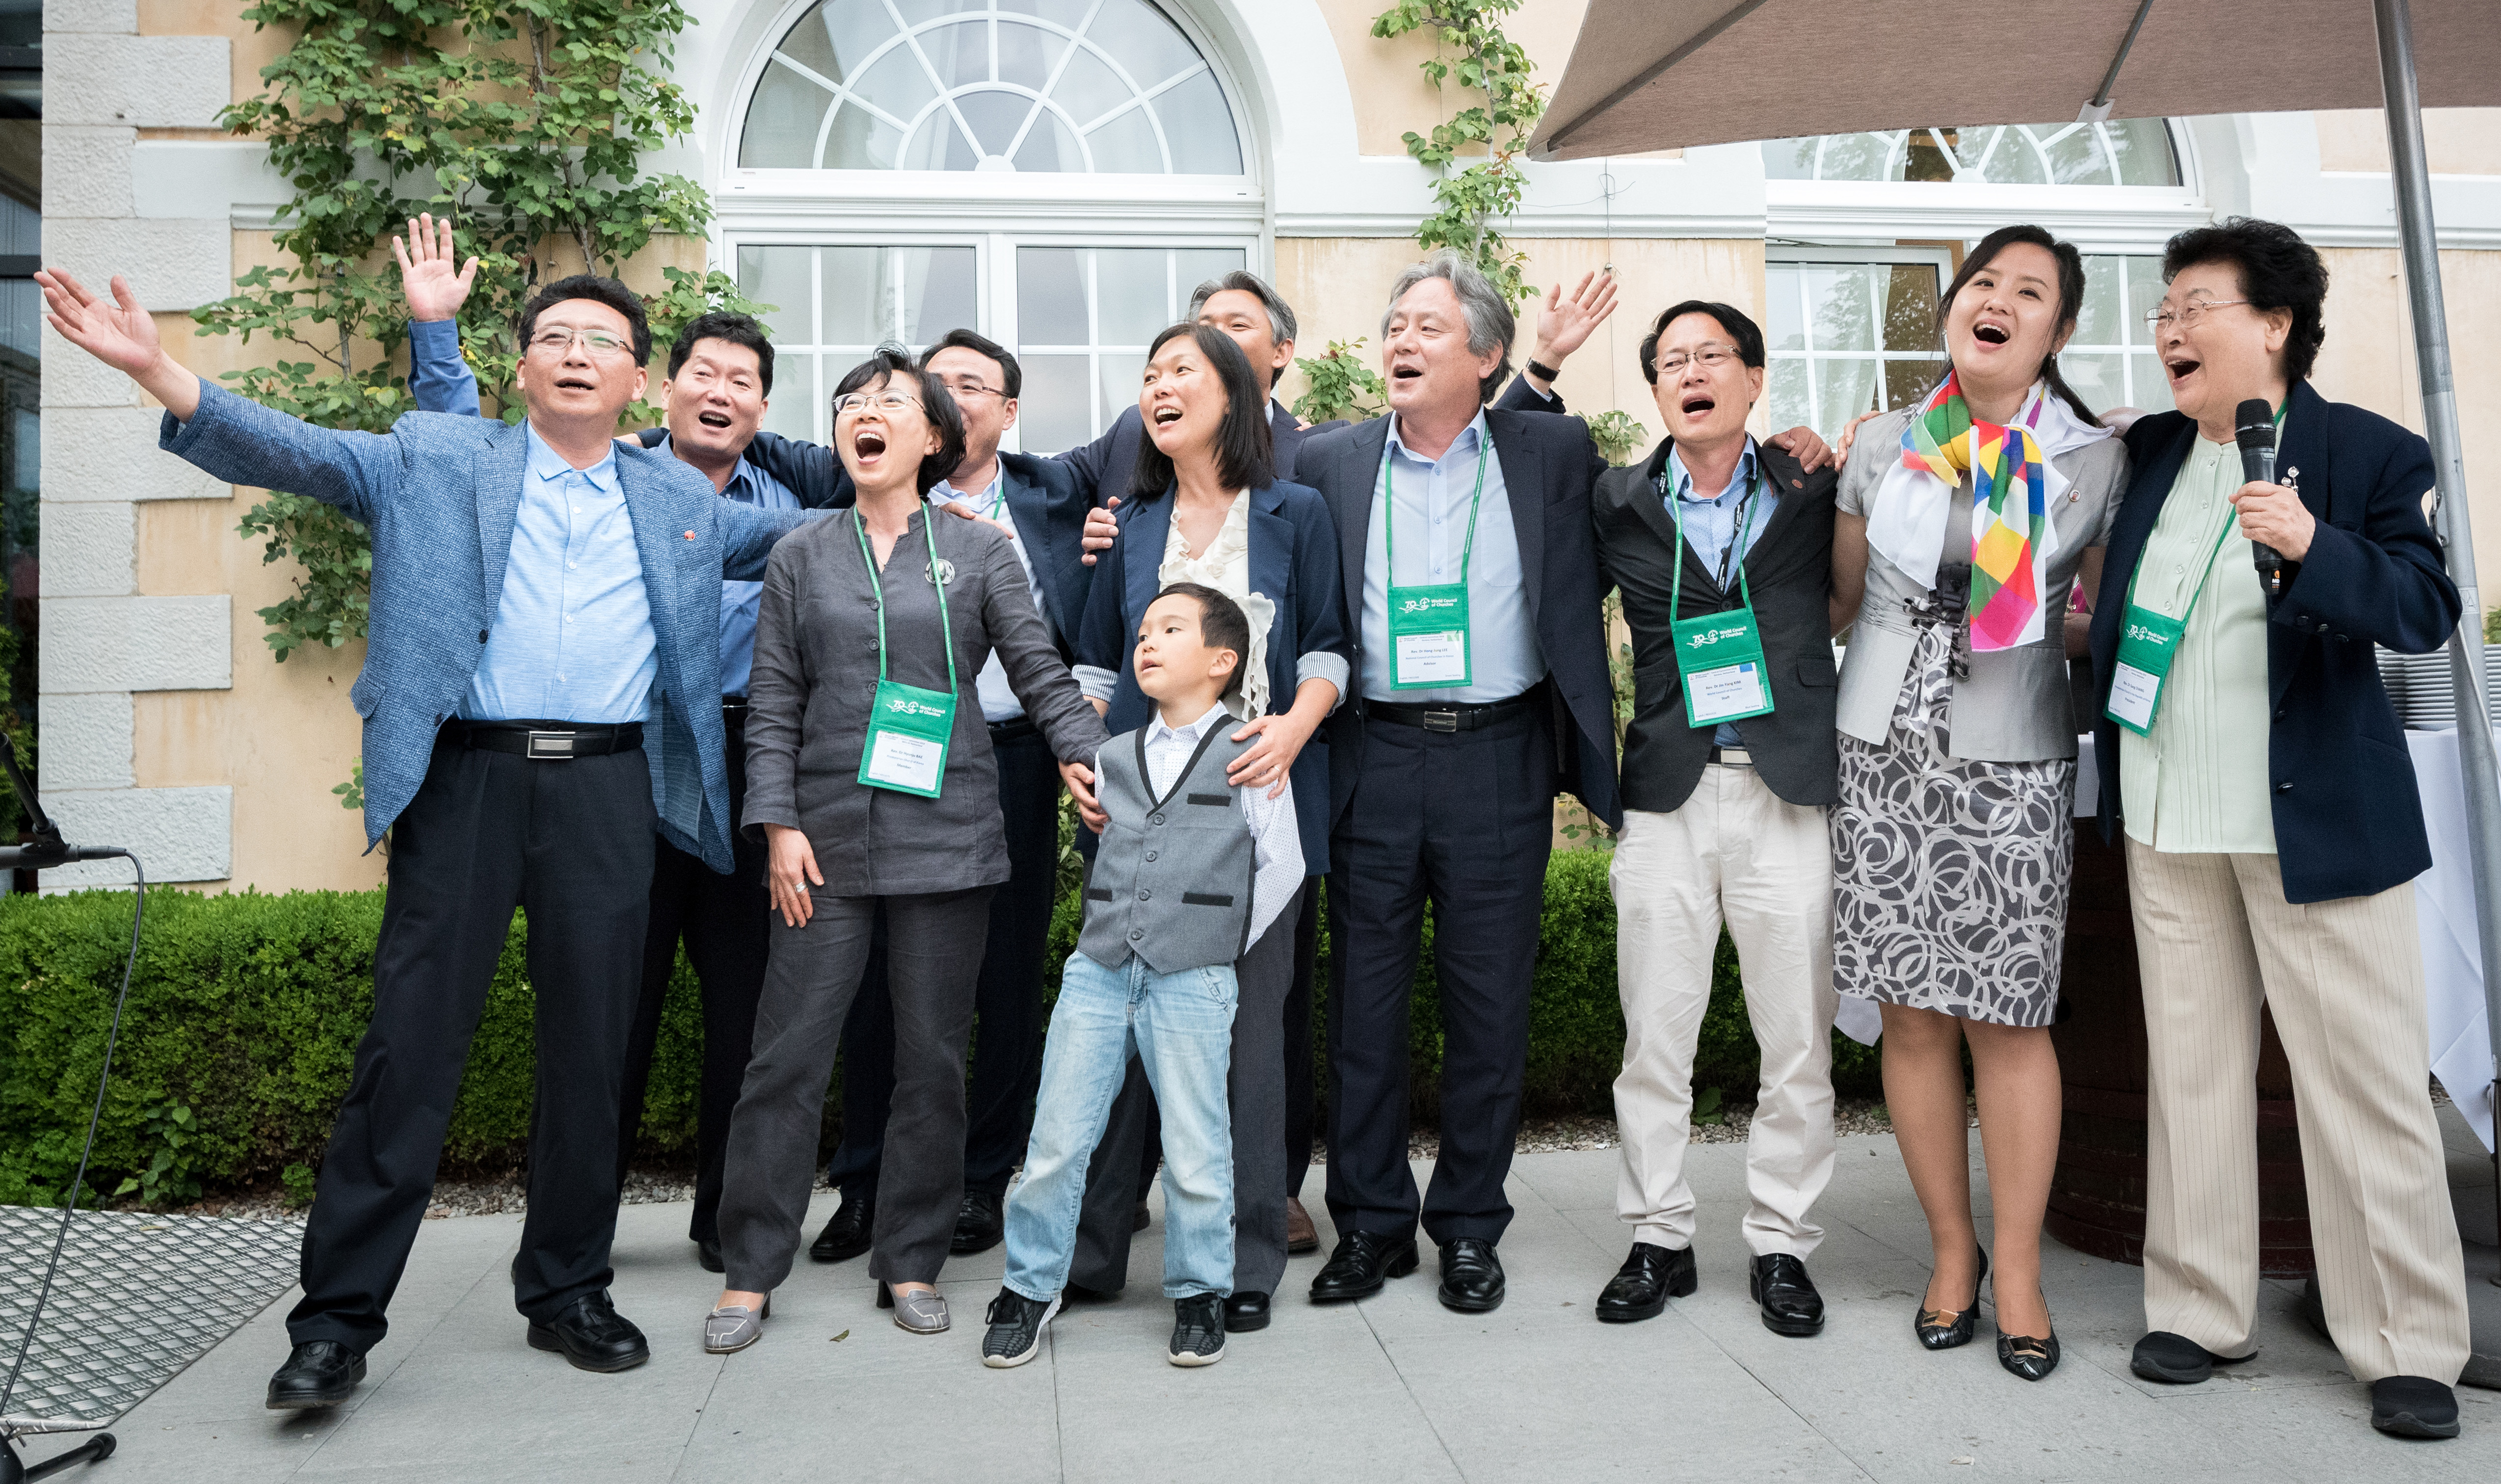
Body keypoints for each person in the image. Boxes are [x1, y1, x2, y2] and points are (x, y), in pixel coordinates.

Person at [37, 261, 817, 1404]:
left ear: (635, 378)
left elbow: (826, 541)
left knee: (592, 1057)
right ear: (520, 365)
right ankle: (336, 1323)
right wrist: (159, 369)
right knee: (409, 1050)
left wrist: (946, 502)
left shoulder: (690, 508)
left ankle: (566, 1290)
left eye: (602, 340)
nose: (577, 353)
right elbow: (297, 450)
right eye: (555, 336)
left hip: (610, 795)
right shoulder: (437, 457)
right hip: (468, 781)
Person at [2087, 218, 2471, 1439]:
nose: (2168, 329)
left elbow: (2422, 606)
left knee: (2361, 1087)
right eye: (2161, 310)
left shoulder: (2364, 451)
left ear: (2275, 324)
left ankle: (2406, 1341)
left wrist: (2315, 545)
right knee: (2189, 1077)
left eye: (2196, 304)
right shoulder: (2147, 450)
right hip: (2167, 815)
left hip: (2313, 822)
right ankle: (2200, 1307)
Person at [394, 218, 821, 1276]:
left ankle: (722, 1222)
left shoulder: (780, 509)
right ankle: (579, 1234)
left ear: (762, 408)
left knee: (741, 1015)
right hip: (620, 767)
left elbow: (865, 535)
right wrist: (436, 338)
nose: (721, 392)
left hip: (739, 773)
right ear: (660, 387)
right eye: (704, 373)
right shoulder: (594, 473)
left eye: (744, 381)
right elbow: (459, 454)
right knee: (602, 1017)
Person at [701, 347, 1106, 1350]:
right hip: (824, 842)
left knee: (931, 1061)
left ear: (935, 436)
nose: (861, 416)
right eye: (849, 404)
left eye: (887, 402)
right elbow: (774, 705)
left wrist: (1089, 759)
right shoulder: (802, 553)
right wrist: (778, 826)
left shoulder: (977, 551)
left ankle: (912, 1258)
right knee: (786, 1057)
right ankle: (751, 1267)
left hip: (949, 836)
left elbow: (1040, 670)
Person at [1289, 251, 1619, 1314]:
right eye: (1395, 324)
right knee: (1366, 1010)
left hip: (1499, 756)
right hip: (1371, 755)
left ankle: (1470, 1227)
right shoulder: (1328, 463)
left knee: (1489, 1008)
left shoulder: (1551, 447)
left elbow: (1659, 503)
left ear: (1484, 356)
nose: (1401, 340)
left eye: (1429, 327)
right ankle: (1372, 1226)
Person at [1828, 224, 2126, 1382]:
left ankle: (2018, 1271)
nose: (1996, 301)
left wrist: (2015, 619)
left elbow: (2105, 621)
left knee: (2008, 1014)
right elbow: (1842, 602)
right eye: (1982, 284)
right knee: (1908, 1012)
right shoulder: (1885, 443)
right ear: (1954, 310)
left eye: (2029, 292)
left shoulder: (2093, 460)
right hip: (1883, 745)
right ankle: (1948, 1256)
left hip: (2010, 752)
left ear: (2056, 331)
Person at [1058, 322, 1346, 1333]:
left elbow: (1329, 650)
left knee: (1245, 1044)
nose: (1158, 386)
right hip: (1139, 815)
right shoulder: (1126, 521)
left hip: (1258, 808)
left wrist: (1294, 731)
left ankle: (1242, 1263)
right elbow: (1092, 666)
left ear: (1236, 390)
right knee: (1119, 1033)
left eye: (1180, 370)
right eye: (1148, 375)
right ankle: (1092, 1256)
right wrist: (1077, 760)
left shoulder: (1295, 511)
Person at [802, 331, 1098, 1266]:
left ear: (1006, 413)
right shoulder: (853, 504)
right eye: (941, 384)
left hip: (1008, 760)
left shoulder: (1057, 495)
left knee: (1002, 979)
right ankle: (865, 1182)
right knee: (876, 988)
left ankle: (978, 1181)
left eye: (977, 385)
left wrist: (1085, 754)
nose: (954, 397)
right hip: (881, 767)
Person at [1590, 300, 1843, 1335]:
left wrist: (1853, 433)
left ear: (1752, 380)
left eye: (1709, 357)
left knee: (1796, 1041)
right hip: (1665, 792)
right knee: (1654, 1033)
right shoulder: (1613, 499)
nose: (1688, 372)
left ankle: (1782, 1244)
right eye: (1669, 362)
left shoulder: (1812, 484)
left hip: (1785, 788)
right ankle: (1657, 1234)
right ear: (1656, 389)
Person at [982, 582, 1305, 1370]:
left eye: (1171, 629)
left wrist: (1215, 941)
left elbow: (1282, 864)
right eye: (1143, 631)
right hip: (1097, 973)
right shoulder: (1111, 754)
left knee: (1199, 1144)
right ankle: (1029, 1287)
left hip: (1193, 978)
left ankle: (1199, 1294)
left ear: (1222, 661)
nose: (1147, 643)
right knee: (1057, 1137)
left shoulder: (1251, 750)